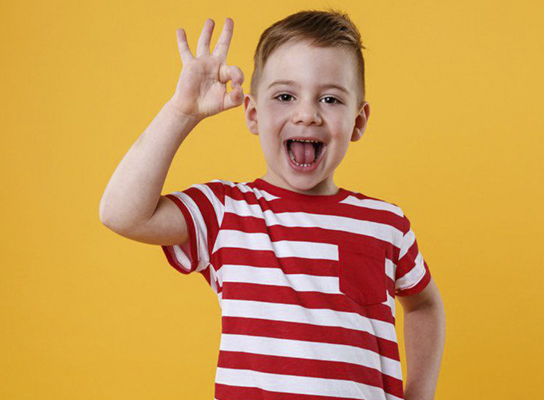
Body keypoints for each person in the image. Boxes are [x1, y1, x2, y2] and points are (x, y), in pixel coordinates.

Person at [99, 8, 445, 400]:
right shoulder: (227, 212)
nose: (307, 114)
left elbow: (424, 306)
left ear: (358, 121)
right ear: (253, 113)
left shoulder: (386, 224)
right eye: (284, 96)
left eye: (330, 99)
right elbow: (121, 214)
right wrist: (181, 111)